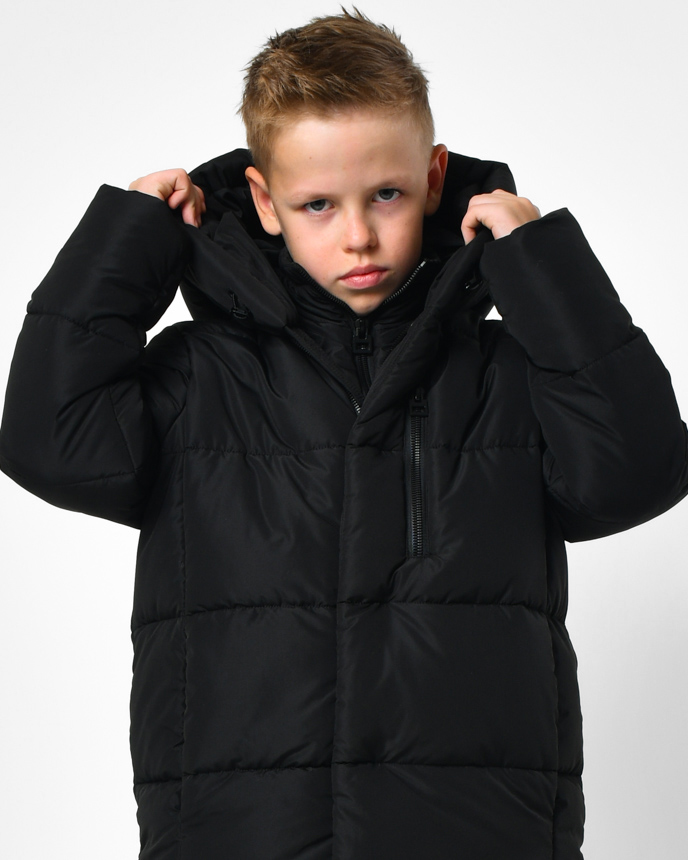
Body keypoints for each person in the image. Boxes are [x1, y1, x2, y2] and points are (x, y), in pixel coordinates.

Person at [1, 8, 686, 859]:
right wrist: (128, 241)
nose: (358, 236)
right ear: (264, 201)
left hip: (477, 831)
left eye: (386, 194)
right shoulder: (199, 376)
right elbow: (50, 442)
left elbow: (637, 472)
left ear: (435, 178)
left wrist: (543, 263)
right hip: (241, 833)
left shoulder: (508, 373)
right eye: (317, 204)